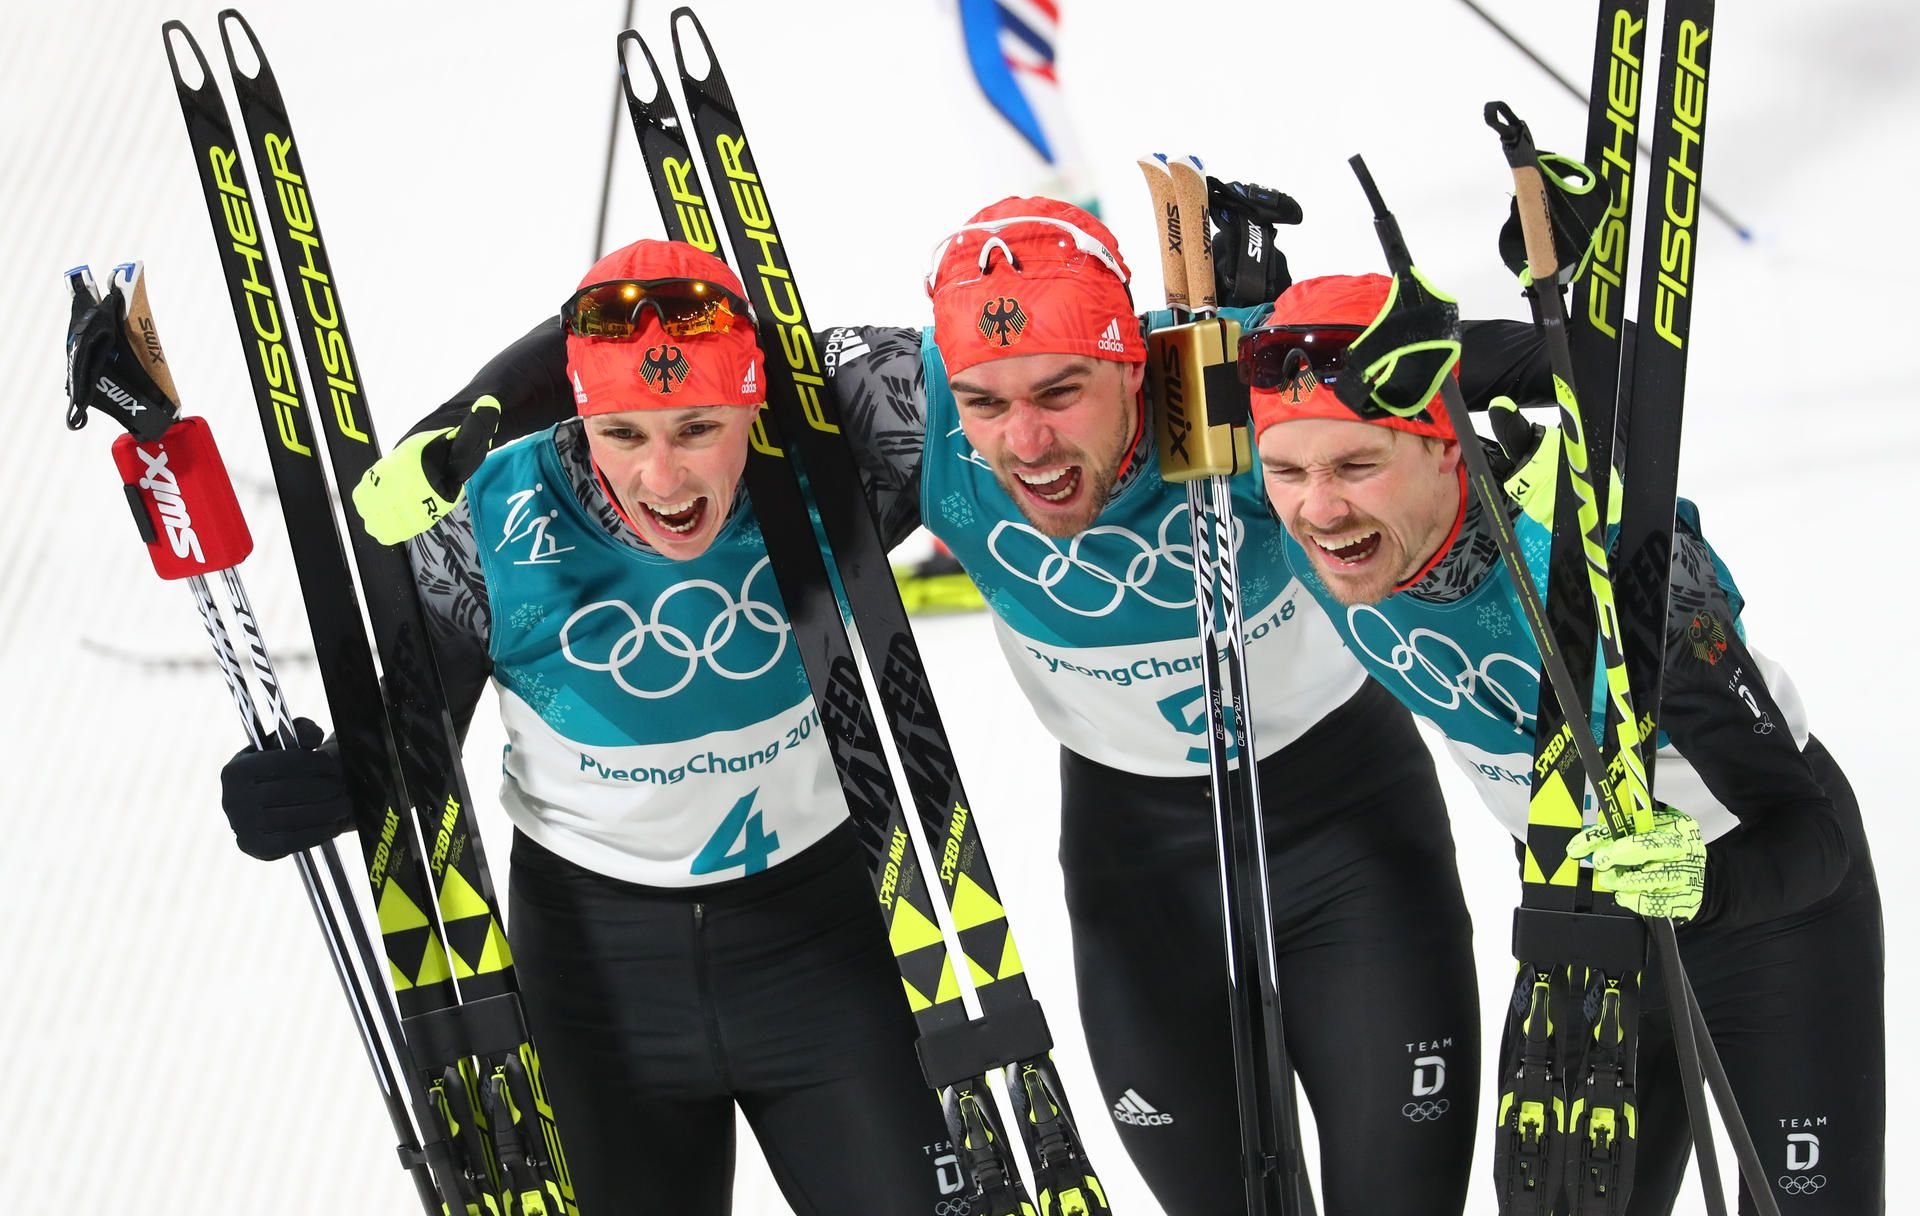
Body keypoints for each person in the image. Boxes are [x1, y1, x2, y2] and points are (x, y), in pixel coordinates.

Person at [365, 200, 1496, 1215]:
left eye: (1062, 390)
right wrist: (475, 409)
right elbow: (696, 349)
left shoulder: (1220, 384)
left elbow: (1434, 404)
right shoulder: (910, 417)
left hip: (1343, 822)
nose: (1026, 437)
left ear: (1132, 362)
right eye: (990, 399)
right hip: (1139, 868)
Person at [219, 239, 959, 1214]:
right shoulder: (493, 512)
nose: (664, 478)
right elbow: (415, 744)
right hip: (598, 989)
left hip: (821, 955)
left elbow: (1044, 369)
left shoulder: (850, 432)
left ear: (755, 399)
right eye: (625, 433)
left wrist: (1227, 319)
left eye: (700, 427)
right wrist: (325, 785)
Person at [1250, 272, 1885, 1214]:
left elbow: (1812, 831)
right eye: (1291, 472)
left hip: (1763, 914)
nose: (1320, 511)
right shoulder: (1296, 513)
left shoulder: (1617, 571)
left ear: (1445, 452)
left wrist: (1707, 887)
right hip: (1573, 917)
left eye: (1356, 466)